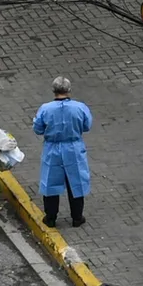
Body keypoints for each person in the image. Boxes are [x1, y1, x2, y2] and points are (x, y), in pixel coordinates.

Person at [32, 76, 93, 228]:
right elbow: (87, 126)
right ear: (69, 90)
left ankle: (51, 218)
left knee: (50, 183)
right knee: (76, 182)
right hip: (73, 147)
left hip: (53, 148)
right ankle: (77, 218)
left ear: (53, 90)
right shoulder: (80, 107)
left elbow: (37, 128)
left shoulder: (45, 109)